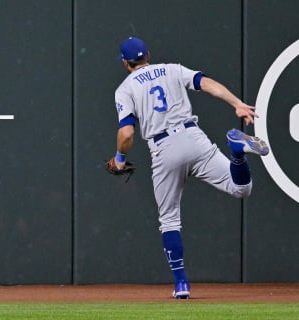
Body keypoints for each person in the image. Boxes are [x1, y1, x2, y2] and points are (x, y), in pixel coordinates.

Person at [108, 37, 269, 299]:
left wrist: (120, 159)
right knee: (241, 189)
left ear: (126, 63)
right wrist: (237, 103)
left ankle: (181, 284)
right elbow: (206, 84)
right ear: (148, 53)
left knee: (169, 219)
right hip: (194, 137)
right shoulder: (172, 68)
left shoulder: (125, 88)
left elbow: (126, 134)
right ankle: (237, 153)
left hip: (164, 148)